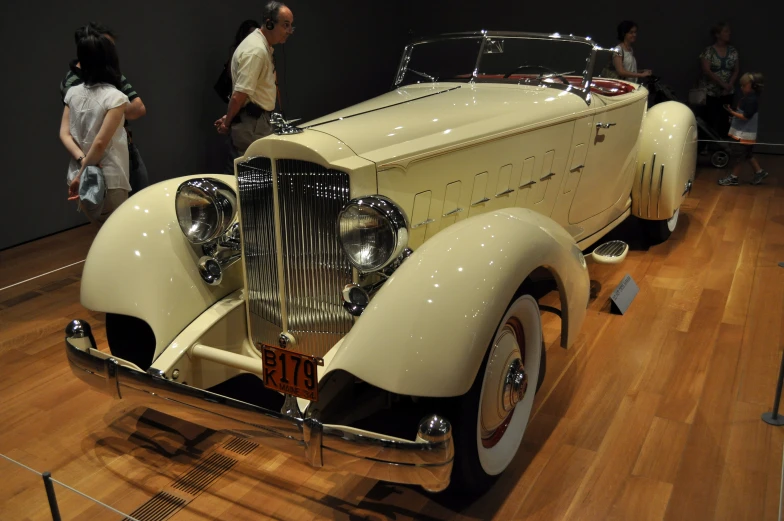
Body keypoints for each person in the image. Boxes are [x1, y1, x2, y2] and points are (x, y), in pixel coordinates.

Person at [60, 22, 149, 196]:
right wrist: (84, 161)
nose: (112, 52)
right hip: (98, 162)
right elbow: (77, 134)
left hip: (126, 151)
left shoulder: (112, 74)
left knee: (140, 201)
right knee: (112, 216)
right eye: (107, 47)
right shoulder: (71, 87)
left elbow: (138, 108)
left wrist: (111, 106)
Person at [59, 29, 131, 224]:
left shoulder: (72, 93)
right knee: (116, 234)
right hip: (107, 180)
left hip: (79, 179)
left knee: (102, 232)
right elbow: (99, 143)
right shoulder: (115, 97)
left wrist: (81, 165)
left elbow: (64, 134)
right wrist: (83, 172)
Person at [214, 1, 295, 159]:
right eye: (285, 25)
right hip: (253, 127)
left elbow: (245, 96)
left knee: (252, 175)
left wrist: (230, 118)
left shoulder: (258, 45)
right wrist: (227, 123)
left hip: (253, 122)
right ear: (270, 24)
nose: (289, 31)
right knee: (255, 177)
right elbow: (239, 95)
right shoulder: (256, 51)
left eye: (291, 25)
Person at [718, 73, 768, 186]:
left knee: (738, 156)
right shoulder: (749, 99)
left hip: (744, 134)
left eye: (743, 85)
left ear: (752, 86)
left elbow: (745, 116)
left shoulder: (751, 100)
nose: (741, 87)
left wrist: (732, 112)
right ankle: (759, 172)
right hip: (746, 133)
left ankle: (733, 178)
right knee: (747, 154)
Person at [699, 22, 739, 138]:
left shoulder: (733, 51)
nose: (729, 33)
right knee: (708, 118)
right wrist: (722, 84)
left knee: (725, 119)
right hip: (710, 92)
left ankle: (722, 145)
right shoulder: (709, 51)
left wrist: (729, 85)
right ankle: (706, 145)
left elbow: (736, 70)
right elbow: (706, 70)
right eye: (726, 31)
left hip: (727, 92)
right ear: (717, 34)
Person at [215, 19, 261, 103]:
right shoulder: (237, 50)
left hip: (254, 95)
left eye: (255, 35)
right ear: (244, 35)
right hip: (240, 92)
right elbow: (230, 73)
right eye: (250, 34)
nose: (253, 38)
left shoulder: (259, 50)